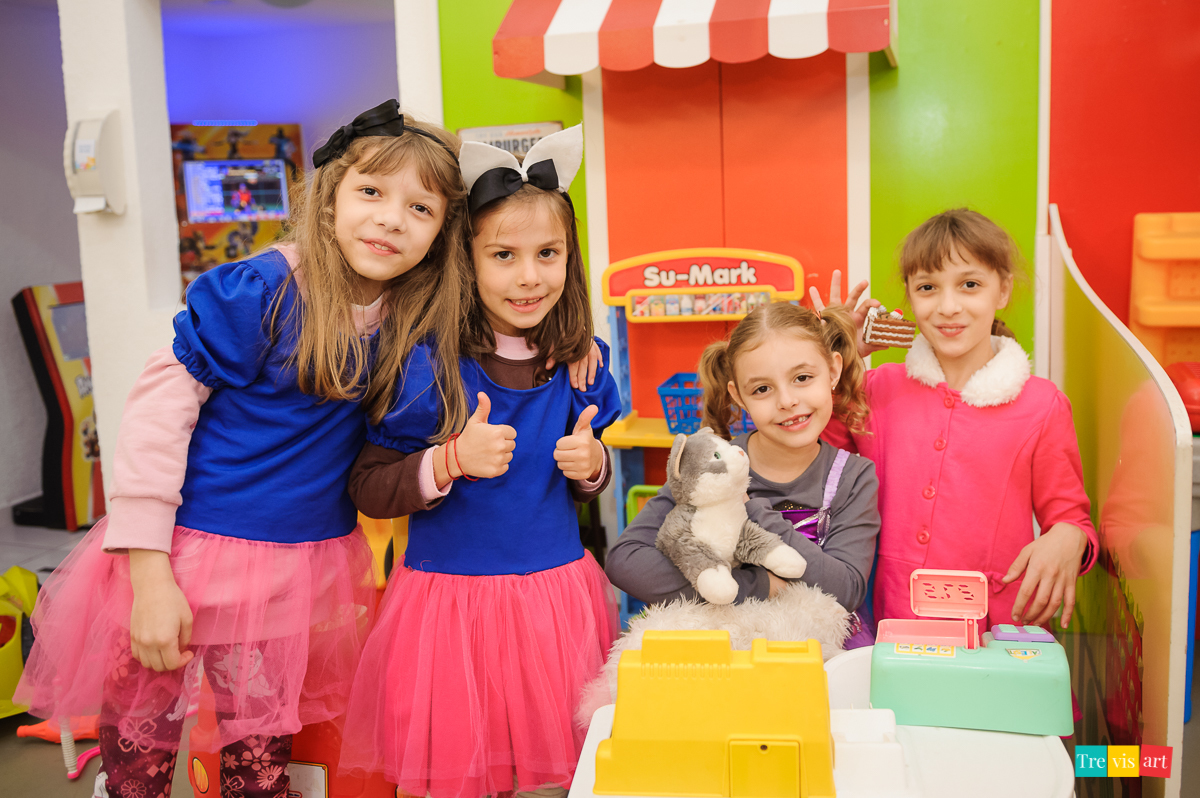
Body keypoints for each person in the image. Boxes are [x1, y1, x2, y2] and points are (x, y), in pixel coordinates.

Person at [15, 100, 473, 798]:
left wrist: (575, 357)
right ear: (328, 201)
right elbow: (157, 416)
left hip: (296, 577)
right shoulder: (264, 287)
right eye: (372, 192)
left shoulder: (410, 323)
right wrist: (150, 575)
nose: (389, 218)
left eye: (421, 209)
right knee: (139, 764)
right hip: (187, 561)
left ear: (441, 234)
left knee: (259, 768)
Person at [340, 125, 622, 798]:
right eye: (503, 255)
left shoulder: (581, 364)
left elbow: (581, 487)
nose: (529, 276)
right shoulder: (426, 367)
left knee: (558, 775)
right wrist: (450, 461)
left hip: (556, 605)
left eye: (548, 253)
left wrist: (594, 465)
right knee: (461, 775)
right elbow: (369, 488)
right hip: (449, 611)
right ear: (467, 260)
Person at [814, 208, 1099, 631]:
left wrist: (1069, 538)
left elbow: (1071, 519)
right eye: (928, 287)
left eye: (970, 285)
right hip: (893, 625)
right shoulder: (877, 388)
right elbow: (815, 459)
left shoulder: (1042, 404)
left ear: (1002, 291)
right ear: (910, 298)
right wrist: (837, 361)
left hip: (997, 633)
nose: (948, 307)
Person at [606, 302, 881, 645]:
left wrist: (754, 513)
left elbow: (846, 589)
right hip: (723, 659)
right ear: (738, 395)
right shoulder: (710, 466)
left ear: (833, 370)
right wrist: (755, 586)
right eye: (762, 389)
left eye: (802, 378)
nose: (787, 401)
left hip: (817, 659)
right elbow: (625, 560)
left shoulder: (853, 477)